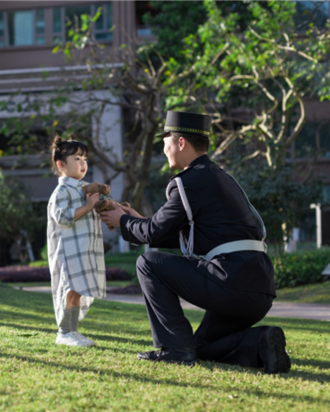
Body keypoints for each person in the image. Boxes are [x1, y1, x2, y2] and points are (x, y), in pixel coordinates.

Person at [100, 111, 291, 374]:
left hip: (231, 282)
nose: (164, 149)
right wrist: (137, 220)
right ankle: (259, 343)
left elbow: (154, 233)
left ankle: (174, 350)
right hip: (259, 289)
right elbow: (176, 233)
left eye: (165, 141)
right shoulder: (219, 176)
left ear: (180, 143)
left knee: (148, 263)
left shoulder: (190, 181)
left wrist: (122, 221)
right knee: (200, 345)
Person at [47, 136, 106, 347]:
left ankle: (73, 331)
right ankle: (63, 332)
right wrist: (88, 206)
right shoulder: (62, 191)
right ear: (61, 165)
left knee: (78, 290)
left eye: (84, 158)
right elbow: (62, 217)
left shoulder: (84, 188)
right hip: (69, 251)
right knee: (70, 290)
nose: (83, 163)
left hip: (84, 249)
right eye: (77, 158)